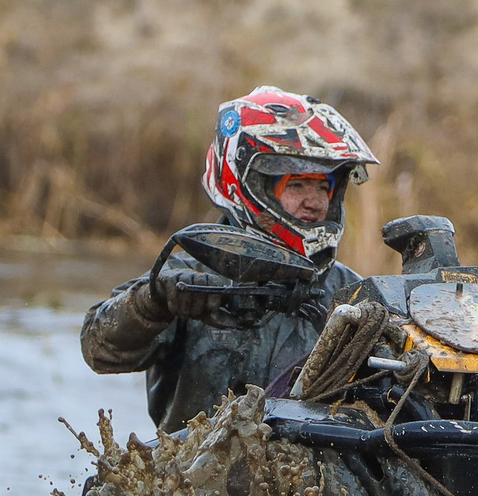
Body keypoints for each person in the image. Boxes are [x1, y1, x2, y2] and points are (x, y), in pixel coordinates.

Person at [80, 88, 379, 434]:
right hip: (192, 478)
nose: (315, 202)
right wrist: (153, 303)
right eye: (297, 185)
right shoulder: (185, 276)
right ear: (247, 185)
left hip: (314, 480)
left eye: (324, 188)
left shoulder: (354, 296)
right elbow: (97, 347)